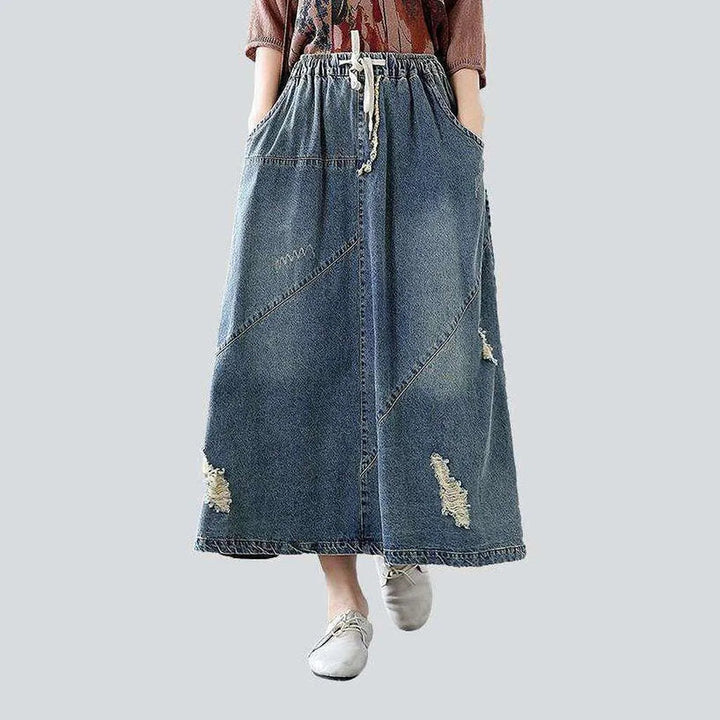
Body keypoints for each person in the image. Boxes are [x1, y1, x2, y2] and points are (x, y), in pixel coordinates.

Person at [195, 0, 525, 680]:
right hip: (306, 113)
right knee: (301, 355)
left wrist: (469, 122)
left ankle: (406, 537)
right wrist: (262, 118)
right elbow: (271, 17)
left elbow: (462, 13)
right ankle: (342, 601)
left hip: (421, 115)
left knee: (435, 347)